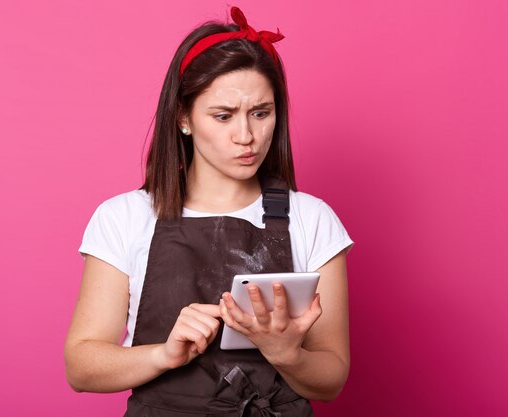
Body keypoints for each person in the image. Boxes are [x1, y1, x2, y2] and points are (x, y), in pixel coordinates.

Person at [64, 6, 353, 417]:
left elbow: (332, 379)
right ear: (183, 118)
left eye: (261, 113)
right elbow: (81, 367)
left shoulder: (313, 219)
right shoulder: (124, 217)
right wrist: (164, 354)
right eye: (223, 116)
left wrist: (287, 353)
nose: (246, 136)